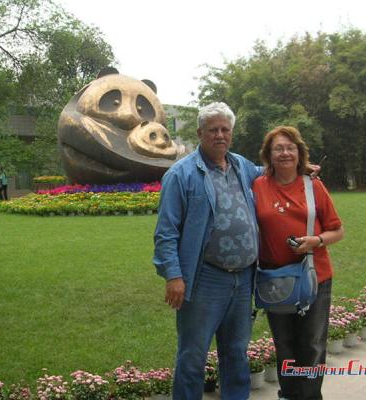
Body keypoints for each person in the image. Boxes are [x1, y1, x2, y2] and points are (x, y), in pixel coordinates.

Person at [153, 102, 262, 400]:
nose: (220, 135)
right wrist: (173, 275)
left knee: (237, 353)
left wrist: (299, 166)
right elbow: (165, 233)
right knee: (192, 356)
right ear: (200, 133)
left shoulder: (241, 166)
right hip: (204, 281)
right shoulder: (181, 175)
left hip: (243, 281)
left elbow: (272, 172)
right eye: (213, 130)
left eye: (225, 130)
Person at [251, 126, 344, 400]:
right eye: (278, 148)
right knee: (285, 345)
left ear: (299, 152)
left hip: (314, 278)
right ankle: (289, 395)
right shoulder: (258, 185)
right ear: (268, 154)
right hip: (274, 281)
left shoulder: (313, 186)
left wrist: (315, 240)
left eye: (290, 148)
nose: (284, 153)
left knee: (312, 346)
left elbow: (337, 230)